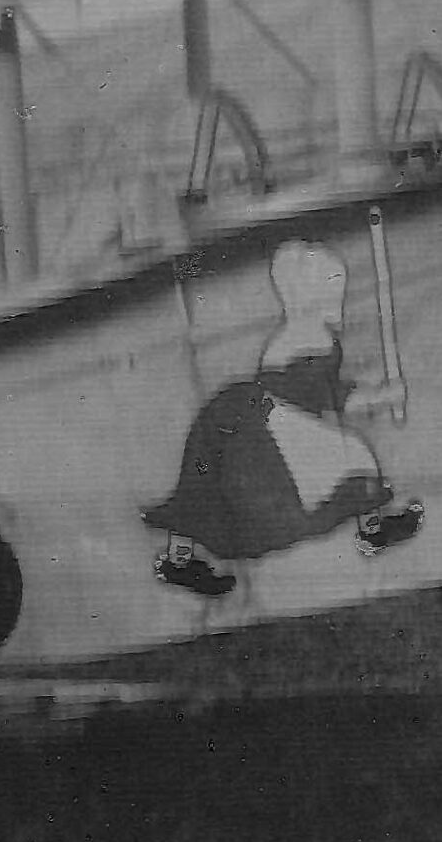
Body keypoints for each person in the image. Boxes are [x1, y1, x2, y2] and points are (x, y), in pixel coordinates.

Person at [145, 239, 422, 595]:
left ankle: (179, 561)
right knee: (351, 459)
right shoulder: (303, 340)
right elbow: (324, 395)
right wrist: (378, 397)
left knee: (207, 484)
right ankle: (373, 531)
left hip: (262, 417)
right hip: (272, 425)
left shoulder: (306, 335)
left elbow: (324, 391)